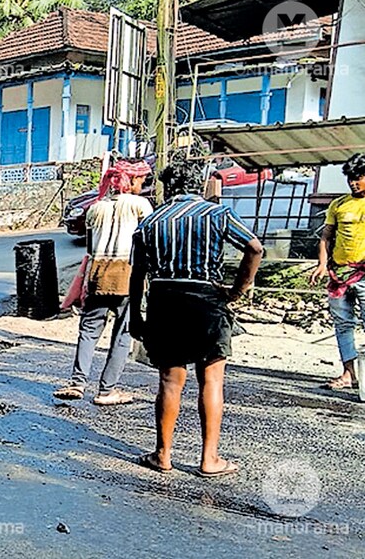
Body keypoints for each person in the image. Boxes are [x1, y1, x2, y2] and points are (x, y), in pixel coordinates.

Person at [129, 152, 263, 477]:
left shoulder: (150, 221)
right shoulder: (217, 214)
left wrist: (136, 317)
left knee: (169, 382)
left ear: (167, 186)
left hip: (163, 301)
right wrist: (237, 290)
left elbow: (137, 275)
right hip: (206, 299)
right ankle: (209, 459)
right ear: (200, 183)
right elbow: (255, 247)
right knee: (212, 380)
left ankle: (162, 454)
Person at [53, 159, 154, 405]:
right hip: (126, 275)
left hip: (97, 273)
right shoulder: (141, 205)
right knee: (122, 334)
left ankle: (77, 383)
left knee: (88, 331)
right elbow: (146, 243)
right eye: (141, 179)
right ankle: (107, 390)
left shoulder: (97, 207)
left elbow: (89, 247)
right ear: (132, 181)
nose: (142, 183)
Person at [309, 153, 365, 391]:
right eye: (351, 178)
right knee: (343, 325)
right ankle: (349, 373)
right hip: (339, 274)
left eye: (359, 177)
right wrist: (322, 264)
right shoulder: (338, 204)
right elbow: (326, 236)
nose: (354, 182)